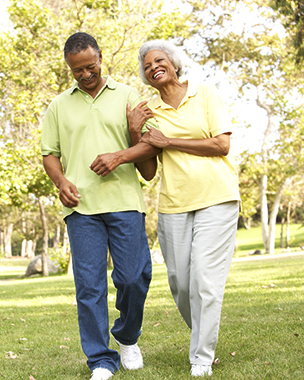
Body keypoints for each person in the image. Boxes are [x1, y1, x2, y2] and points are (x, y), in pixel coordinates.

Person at [41, 32, 161, 380]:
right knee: (89, 287)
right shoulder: (59, 105)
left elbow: (151, 148)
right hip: (82, 210)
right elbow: (50, 154)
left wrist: (119, 155)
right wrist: (61, 182)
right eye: (76, 71)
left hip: (124, 202)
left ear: (101, 58)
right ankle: (100, 360)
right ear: (69, 69)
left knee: (135, 277)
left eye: (89, 67)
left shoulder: (127, 96)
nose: (84, 75)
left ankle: (126, 335)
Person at [136, 40, 241, 377]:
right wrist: (135, 129)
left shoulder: (205, 93)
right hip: (174, 204)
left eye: (160, 60)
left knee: (206, 282)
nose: (154, 67)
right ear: (147, 77)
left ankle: (201, 357)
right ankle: (203, 335)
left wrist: (170, 142)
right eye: (148, 66)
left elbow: (221, 144)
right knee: (180, 283)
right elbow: (149, 171)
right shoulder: (150, 111)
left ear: (175, 64)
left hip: (216, 197)